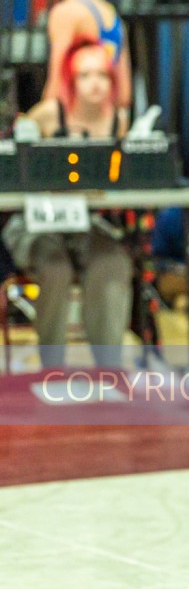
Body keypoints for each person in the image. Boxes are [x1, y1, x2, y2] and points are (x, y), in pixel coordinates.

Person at [2, 42, 130, 369]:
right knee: (55, 268)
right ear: (70, 80)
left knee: (113, 262)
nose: (95, 83)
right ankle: (52, 366)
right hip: (35, 222)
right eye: (85, 75)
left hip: (85, 222)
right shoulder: (48, 114)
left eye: (102, 75)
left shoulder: (118, 120)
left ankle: (109, 367)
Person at [42, 0, 131, 123]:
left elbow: (57, 85)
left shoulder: (67, 12)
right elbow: (124, 94)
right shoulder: (112, 15)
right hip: (105, 122)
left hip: (72, 123)